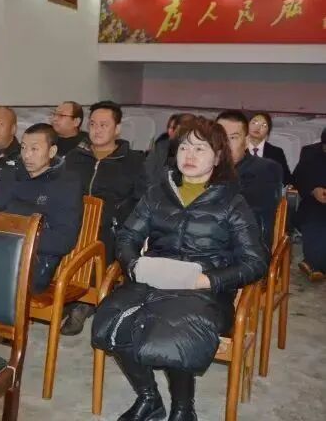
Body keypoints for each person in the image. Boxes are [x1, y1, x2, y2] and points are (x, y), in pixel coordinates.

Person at [91, 117, 268, 421]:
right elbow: (128, 236)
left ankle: (184, 409)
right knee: (109, 324)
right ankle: (149, 397)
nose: (189, 155)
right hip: (153, 278)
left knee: (174, 333)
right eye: (184, 147)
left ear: (218, 157)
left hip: (204, 290)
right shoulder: (157, 193)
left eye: (200, 149)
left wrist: (207, 280)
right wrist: (133, 264)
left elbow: (255, 262)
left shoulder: (231, 202)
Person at [63, 100, 146, 335]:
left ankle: (83, 302)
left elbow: (141, 200)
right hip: (74, 218)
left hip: (111, 226)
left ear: (117, 129)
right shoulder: (75, 156)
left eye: (103, 125)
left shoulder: (133, 161)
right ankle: (61, 293)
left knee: (98, 236)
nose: (97, 130)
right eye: (92, 124)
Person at [0, 123, 83, 293]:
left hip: (35, 262)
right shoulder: (8, 176)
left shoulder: (66, 185)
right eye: (23, 148)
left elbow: (63, 240)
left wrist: (19, 239)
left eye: (34, 149)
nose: (27, 155)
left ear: (52, 151)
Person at [217, 110, 283, 249]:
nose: (224, 144)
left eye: (233, 138)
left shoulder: (265, 169)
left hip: (240, 249)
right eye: (219, 137)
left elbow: (248, 218)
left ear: (246, 141)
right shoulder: (204, 166)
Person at [293, 127, 326, 282]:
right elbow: (297, 179)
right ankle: (315, 263)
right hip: (314, 203)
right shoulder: (310, 152)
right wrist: (313, 190)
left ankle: (313, 265)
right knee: (316, 224)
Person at [145, 113, 196, 182]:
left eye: (174, 128)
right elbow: (148, 170)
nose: (171, 131)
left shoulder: (197, 150)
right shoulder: (162, 146)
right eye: (170, 127)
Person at [248, 112, 292, 185]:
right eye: (254, 123)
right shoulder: (236, 149)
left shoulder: (276, 152)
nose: (258, 127)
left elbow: (286, 179)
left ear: (267, 133)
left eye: (263, 125)